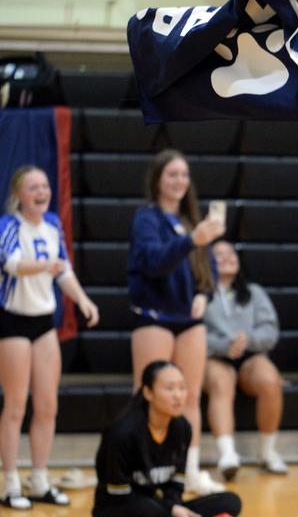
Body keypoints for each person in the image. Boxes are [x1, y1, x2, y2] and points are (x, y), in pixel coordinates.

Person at [0, 165, 99, 510]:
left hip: (43, 321)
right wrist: (47, 267)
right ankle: (10, 482)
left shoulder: (54, 224)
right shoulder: (9, 226)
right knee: (15, 405)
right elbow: (11, 264)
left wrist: (83, 299)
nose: (41, 191)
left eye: (44, 185)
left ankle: (39, 478)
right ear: (18, 195)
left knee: (47, 404)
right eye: (33, 187)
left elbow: (64, 270)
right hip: (11, 320)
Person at [127, 150, 226, 494]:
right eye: (172, 174)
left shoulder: (189, 221)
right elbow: (154, 262)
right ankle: (141, 468)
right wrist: (190, 241)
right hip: (154, 317)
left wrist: (205, 295)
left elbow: (209, 269)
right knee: (146, 396)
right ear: (157, 180)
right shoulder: (146, 219)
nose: (179, 181)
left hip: (188, 319)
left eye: (184, 174)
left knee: (189, 398)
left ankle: (190, 471)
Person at [93, 360, 242, 517]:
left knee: (230, 501)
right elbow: (118, 494)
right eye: (169, 388)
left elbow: (176, 485)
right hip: (119, 509)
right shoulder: (122, 433)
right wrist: (169, 510)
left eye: (182, 388)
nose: (178, 395)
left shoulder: (182, 428)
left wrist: (174, 506)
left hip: (159, 507)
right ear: (148, 393)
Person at [203, 240, 287, 480]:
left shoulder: (254, 292)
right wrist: (223, 346)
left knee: (270, 379)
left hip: (251, 356)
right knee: (221, 380)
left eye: (231, 253)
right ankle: (228, 454)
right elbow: (193, 333)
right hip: (214, 356)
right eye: (219, 254)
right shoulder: (200, 293)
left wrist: (247, 340)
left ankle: (267, 452)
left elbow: (270, 332)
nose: (227, 257)